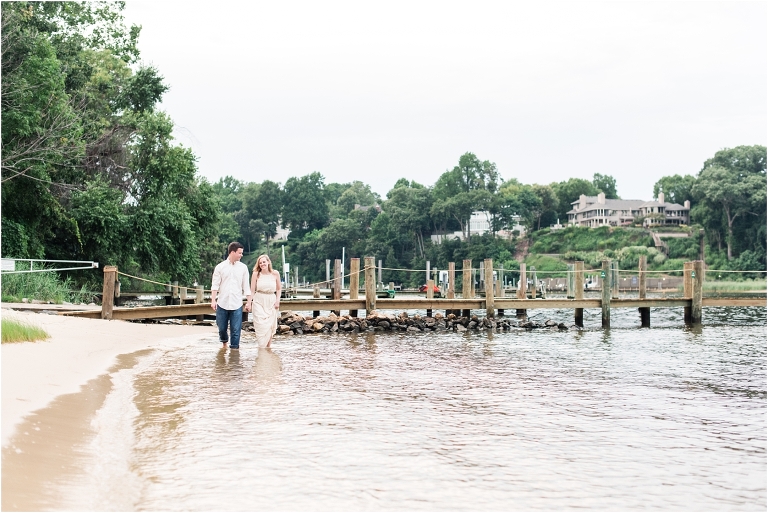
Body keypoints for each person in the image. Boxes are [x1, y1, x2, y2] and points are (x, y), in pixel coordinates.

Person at [211, 242, 252, 350]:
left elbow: (246, 286)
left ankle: (234, 352)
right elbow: (215, 285)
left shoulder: (243, 268)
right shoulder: (220, 267)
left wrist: (249, 302)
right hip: (222, 302)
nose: (241, 255)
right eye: (240, 253)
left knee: (235, 329)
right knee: (222, 328)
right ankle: (224, 342)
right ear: (232, 252)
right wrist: (213, 300)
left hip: (237, 303)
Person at [248, 254, 281, 348]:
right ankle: (262, 347)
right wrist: (249, 303)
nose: (262, 264)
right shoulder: (256, 274)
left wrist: (277, 300)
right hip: (259, 300)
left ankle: (268, 348)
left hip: (271, 300)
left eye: (264, 262)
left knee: (270, 325)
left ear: (268, 262)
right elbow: (252, 290)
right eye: (260, 263)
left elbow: (278, 289)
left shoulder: (275, 273)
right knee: (261, 325)